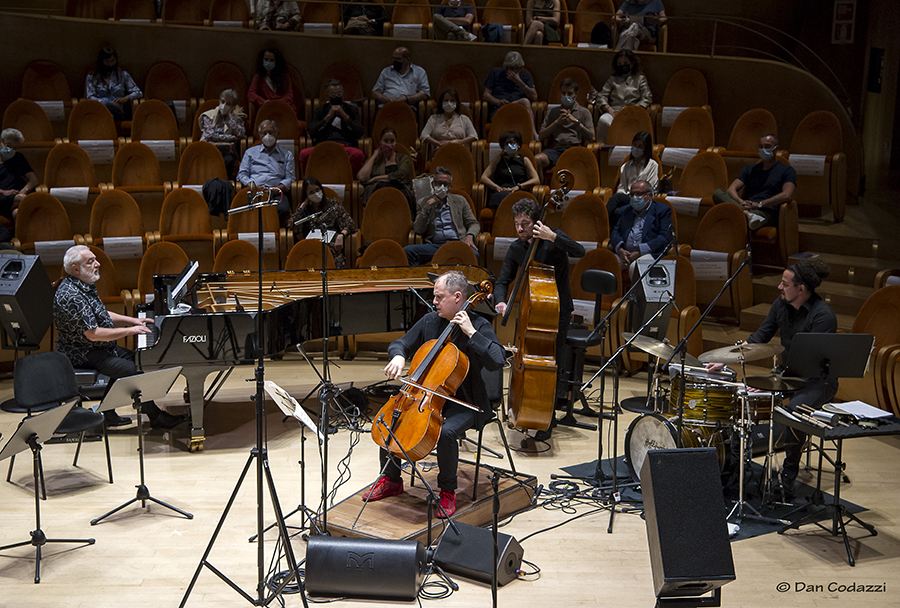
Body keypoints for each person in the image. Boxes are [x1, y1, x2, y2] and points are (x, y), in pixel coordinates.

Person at [364, 270, 507, 517]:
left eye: (439, 297)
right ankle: (391, 479)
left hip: (467, 402)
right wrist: (398, 355)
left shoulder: (480, 325)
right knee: (392, 419)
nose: (434, 302)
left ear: (458, 297)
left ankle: (448, 491)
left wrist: (471, 333)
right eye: (434, 297)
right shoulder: (431, 321)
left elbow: (498, 360)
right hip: (427, 398)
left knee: (447, 431)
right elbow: (401, 343)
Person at [706, 259, 836, 500]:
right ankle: (736, 469)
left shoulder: (823, 316)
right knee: (746, 397)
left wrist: (775, 383)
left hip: (817, 380)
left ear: (801, 289)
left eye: (785, 284)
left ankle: (788, 476)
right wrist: (726, 359)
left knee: (795, 410)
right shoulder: (781, 304)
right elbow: (760, 337)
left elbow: (811, 364)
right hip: (787, 374)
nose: (779, 287)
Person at [54, 245, 185, 430]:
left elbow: (101, 313)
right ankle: (156, 417)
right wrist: (130, 330)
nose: (98, 264)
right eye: (91, 261)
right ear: (76, 269)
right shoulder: (72, 295)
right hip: (83, 352)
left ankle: (108, 414)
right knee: (134, 371)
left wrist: (132, 320)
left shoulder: (83, 285)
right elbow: (93, 334)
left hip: (98, 348)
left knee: (139, 361)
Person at [493, 198, 585, 440]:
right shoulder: (516, 249)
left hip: (558, 311)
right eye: (517, 224)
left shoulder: (554, 241)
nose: (520, 229)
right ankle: (523, 406)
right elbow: (502, 281)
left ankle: (548, 417)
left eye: (525, 223)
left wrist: (552, 236)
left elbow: (580, 251)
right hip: (529, 313)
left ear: (537, 223)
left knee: (553, 363)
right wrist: (501, 300)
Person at [713, 133, 796, 231]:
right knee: (718, 193)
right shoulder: (750, 168)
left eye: (767, 146)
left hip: (766, 211)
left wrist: (760, 204)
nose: (763, 149)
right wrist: (741, 202)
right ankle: (747, 214)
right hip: (747, 207)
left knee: (733, 215)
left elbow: (787, 195)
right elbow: (732, 189)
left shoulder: (787, 170)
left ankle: (745, 214)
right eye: (761, 146)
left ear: (776, 148)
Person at [404, 167, 480, 266]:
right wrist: (428, 206)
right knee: (408, 251)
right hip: (435, 246)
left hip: (457, 243)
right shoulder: (423, 202)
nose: (442, 187)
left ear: (449, 186)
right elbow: (418, 229)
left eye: (445, 184)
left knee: (474, 254)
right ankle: (417, 280)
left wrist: (470, 235)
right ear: (433, 184)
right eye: (439, 183)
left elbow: (473, 223)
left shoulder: (460, 201)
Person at [299, 79, 366, 177]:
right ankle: (309, 181)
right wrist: (327, 117)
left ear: (343, 93)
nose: (336, 96)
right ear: (328, 95)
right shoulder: (320, 110)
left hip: (345, 145)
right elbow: (312, 132)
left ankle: (353, 182)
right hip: (323, 145)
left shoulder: (351, 110)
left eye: (339, 94)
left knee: (358, 154)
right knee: (303, 154)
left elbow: (359, 132)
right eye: (333, 94)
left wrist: (345, 116)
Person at [237, 120, 295, 225]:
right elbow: (242, 174)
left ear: (277, 134)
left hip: (276, 193)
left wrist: (277, 189)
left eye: (271, 132)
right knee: (244, 211)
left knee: (283, 209)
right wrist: (253, 186)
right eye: (264, 133)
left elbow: (290, 178)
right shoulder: (250, 153)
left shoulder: (287, 155)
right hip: (254, 192)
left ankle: (279, 237)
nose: (267, 135)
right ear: (259, 135)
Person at [290, 177, 357, 268]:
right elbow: (292, 226)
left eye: (317, 190)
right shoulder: (304, 210)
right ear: (306, 195)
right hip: (311, 244)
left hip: (331, 243)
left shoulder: (333, 204)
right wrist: (302, 206)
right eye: (311, 192)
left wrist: (341, 235)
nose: (316, 194)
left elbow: (350, 224)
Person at [610, 179, 672, 271]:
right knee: (607, 263)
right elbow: (615, 232)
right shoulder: (626, 210)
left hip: (649, 254)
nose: (634, 198)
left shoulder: (662, 210)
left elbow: (664, 238)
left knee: (635, 267)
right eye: (632, 194)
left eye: (639, 194)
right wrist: (620, 250)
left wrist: (640, 252)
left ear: (650, 195)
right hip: (624, 255)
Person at [591, 50, 652, 143]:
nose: (622, 65)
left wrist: (633, 109)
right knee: (603, 120)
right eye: (620, 63)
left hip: (632, 113)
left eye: (625, 63)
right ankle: (602, 151)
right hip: (614, 113)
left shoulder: (640, 79)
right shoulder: (612, 80)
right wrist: (609, 110)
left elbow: (647, 97)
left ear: (632, 63)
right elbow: (601, 96)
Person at [534, 78, 594, 174]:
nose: (566, 96)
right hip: (556, 150)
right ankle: (541, 188)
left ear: (576, 94)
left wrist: (577, 122)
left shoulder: (584, 112)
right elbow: (541, 136)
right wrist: (556, 122)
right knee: (537, 160)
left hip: (575, 149)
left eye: (569, 94)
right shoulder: (553, 112)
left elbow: (592, 137)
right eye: (563, 93)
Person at [606, 130, 657, 224]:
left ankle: (602, 222)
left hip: (642, 200)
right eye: (635, 145)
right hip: (627, 198)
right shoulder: (625, 166)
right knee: (617, 211)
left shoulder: (652, 165)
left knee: (616, 199)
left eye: (640, 146)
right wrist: (626, 197)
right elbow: (621, 187)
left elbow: (651, 188)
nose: (636, 148)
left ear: (646, 148)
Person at [480, 130, 540, 210]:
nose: (509, 145)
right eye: (506, 143)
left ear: (518, 144)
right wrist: (497, 187)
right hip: (501, 192)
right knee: (504, 198)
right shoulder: (498, 159)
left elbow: (536, 180)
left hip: (518, 192)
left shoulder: (525, 160)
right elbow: (483, 177)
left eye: (512, 142)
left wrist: (519, 186)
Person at [358, 127, 414, 211]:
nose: (389, 144)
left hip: (400, 190)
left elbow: (401, 175)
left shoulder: (403, 158)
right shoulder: (375, 160)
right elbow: (361, 177)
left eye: (392, 141)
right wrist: (374, 156)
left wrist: (375, 178)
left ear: (396, 143)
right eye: (386, 141)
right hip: (379, 192)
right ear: (380, 142)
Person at [482, 51, 538, 137]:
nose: (514, 71)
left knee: (525, 101)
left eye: (517, 68)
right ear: (506, 67)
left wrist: (519, 82)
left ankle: (534, 135)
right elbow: (486, 95)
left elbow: (534, 97)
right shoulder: (496, 72)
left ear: (521, 68)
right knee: (525, 101)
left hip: (518, 109)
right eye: (511, 68)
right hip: (499, 108)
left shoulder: (525, 76)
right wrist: (498, 102)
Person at [199, 89, 247, 179]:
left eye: (228, 104)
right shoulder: (209, 115)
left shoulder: (235, 118)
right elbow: (210, 135)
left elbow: (240, 134)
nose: (224, 106)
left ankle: (224, 184)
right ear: (219, 101)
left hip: (226, 152)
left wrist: (230, 117)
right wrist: (228, 137)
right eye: (222, 102)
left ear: (233, 106)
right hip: (209, 149)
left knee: (229, 161)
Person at [85, 47, 143, 121]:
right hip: (100, 110)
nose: (110, 64)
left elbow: (138, 92)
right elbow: (90, 97)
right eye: (107, 61)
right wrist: (107, 103)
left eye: (112, 61)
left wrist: (126, 98)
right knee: (110, 115)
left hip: (119, 111)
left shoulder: (123, 75)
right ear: (101, 61)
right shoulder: (92, 77)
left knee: (109, 114)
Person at [420, 87, 478, 160]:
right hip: (440, 153)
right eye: (446, 100)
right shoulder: (433, 119)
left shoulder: (464, 119)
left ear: (456, 102)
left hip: (459, 153)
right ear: (441, 103)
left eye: (452, 100)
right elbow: (424, 135)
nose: (449, 103)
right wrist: (438, 143)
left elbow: (474, 136)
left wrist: (457, 142)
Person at [372, 47, 430, 116]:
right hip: (386, 107)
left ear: (407, 59)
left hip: (407, 108)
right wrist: (385, 99)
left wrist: (406, 99)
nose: (395, 61)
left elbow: (425, 93)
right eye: (393, 58)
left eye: (398, 59)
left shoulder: (419, 72)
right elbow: (375, 92)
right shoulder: (386, 71)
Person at [0, 128, 38, 221]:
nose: (11, 150)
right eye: (8, 145)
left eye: (15, 148)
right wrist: (3, 192)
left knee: (18, 213)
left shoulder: (19, 158)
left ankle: (22, 235)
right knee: (24, 201)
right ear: (1, 142)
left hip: (15, 198)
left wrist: (22, 192)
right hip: (1, 197)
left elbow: (33, 180)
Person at [248, 46, 296, 114]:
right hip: (266, 109)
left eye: (271, 60)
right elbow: (251, 93)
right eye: (266, 59)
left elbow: (289, 95)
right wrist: (263, 102)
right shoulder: (258, 77)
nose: (268, 62)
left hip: (283, 109)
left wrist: (279, 103)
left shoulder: (284, 77)